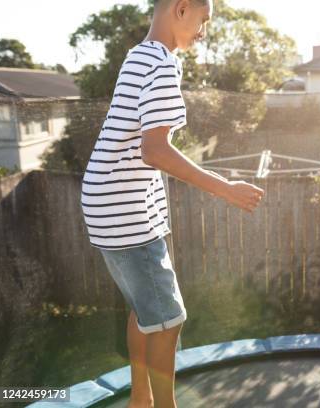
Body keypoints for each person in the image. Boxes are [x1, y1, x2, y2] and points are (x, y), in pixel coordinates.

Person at [80, 1, 264, 406]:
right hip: (124, 207)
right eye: (203, 20)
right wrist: (224, 188)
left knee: (146, 310)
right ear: (181, 9)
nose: (203, 32)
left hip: (109, 201)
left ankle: (141, 399)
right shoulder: (161, 64)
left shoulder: (139, 55)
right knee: (168, 319)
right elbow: (155, 151)